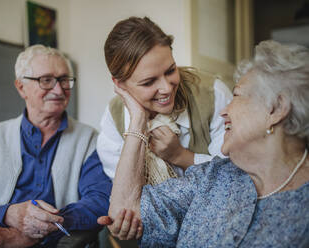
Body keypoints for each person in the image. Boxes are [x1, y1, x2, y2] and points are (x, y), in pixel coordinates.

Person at [98, 40, 309, 247]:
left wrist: (180, 155)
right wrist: (138, 118)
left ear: (277, 108)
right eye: (148, 82)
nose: (223, 111)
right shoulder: (214, 176)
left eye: (236, 95)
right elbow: (125, 212)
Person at [0, 45, 112, 248]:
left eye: (64, 80)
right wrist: (9, 215)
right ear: (21, 87)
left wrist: (38, 229)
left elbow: (100, 201)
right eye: (46, 80)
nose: (58, 89)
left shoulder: (89, 140)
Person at [97, 16, 232, 185]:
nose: (167, 88)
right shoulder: (114, 116)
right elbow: (124, 197)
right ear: (119, 84)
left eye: (170, 71)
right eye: (149, 82)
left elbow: (233, 176)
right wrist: (138, 122)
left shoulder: (213, 94)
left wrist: (180, 156)